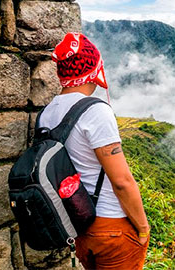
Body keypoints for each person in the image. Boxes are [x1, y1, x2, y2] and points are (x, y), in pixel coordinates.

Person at [38, 32, 150, 269]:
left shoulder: (46, 114)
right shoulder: (95, 111)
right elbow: (122, 181)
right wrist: (142, 227)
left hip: (80, 225)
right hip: (112, 227)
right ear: (94, 66)